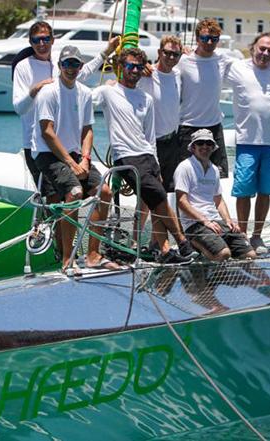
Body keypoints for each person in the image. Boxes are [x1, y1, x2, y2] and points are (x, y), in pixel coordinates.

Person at [92, 47, 198, 264]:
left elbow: (149, 136)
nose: (134, 70)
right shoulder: (108, 92)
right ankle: (182, 242)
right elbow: (82, 99)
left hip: (147, 155)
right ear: (121, 68)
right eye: (130, 66)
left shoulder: (146, 98)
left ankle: (166, 251)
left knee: (153, 200)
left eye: (139, 67)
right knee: (158, 196)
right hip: (126, 156)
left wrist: (156, 164)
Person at [34, 46, 120, 272]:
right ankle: (67, 258)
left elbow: (88, 130)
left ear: (81, 67)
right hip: (46, 153)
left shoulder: (84, 93)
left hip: (74, 154)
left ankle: (92, 254)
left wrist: (84, 159)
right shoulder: (48, 92)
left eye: (75, 64)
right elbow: (47, 132)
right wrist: (72, 164)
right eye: (66, 64)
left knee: (105, 192)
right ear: (59, 66)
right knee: (74, 193)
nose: (70, 68)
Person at [12, 21, 118, 194]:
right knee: (50, 197)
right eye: (36, 40)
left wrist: (107, 52)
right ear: (30, 42)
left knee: (73, 194)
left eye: (46, 39)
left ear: (52, 40)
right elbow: (19, 108)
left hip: (64, 145)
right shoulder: (23, 67)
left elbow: (82, 72)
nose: (41, 44)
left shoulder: (58, 63)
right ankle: (45, 221)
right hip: (37, 145)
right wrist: (35, 89)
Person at [225, 32, 270, 254]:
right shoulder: (237, 68)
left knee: (266, 191)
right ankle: (242, 236)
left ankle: (257, 236)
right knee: (243, 191)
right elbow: (209, 65)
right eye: (261, 48)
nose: (264, 53)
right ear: (253, 47)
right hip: (247, 141)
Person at [174, 129, 256, 262]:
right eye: (200, 143)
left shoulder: (214, 169)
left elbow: (219, 200)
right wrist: (205, 221)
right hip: (195, 224)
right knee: (224, 254)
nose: (205, 146)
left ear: (213, 147)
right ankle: (196, 247)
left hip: (216, 220)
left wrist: (228, 220)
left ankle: (228, 272)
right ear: (193, 147)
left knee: (250, 255)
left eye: (208, 143)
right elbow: (181, 202)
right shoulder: (185, 167)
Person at [177, 18, 232, 178]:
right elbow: (161, 71)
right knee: (186, 177)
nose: (209, 42)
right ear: (197, 38)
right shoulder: (183, 60)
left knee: (216, 177)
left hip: (214, 127)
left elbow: (251, 64)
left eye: (214, 39)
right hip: (188, 127)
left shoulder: (223, 60)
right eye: (204, 38)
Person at [138, 35, 183, 192]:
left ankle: (163, 218)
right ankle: (143, 218)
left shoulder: (178, 75)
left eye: (175, 54)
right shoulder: (146, 74)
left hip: (172, 142)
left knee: (170, 189)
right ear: (159, 52)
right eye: (167, 52)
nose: (171, 57)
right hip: (151, 143)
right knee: (151, 191)